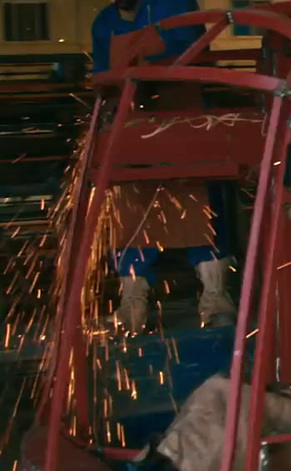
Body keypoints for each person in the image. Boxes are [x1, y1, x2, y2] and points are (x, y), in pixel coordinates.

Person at [92, 0, 236, 333]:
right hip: (133, 121)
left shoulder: (176, 3)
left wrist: (143, 62)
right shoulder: (105, 22)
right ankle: (132, 306)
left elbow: (187, 51)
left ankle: (216, 301)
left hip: (183, 118)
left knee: (200, 207)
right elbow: (102, 74)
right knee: (129, 209)